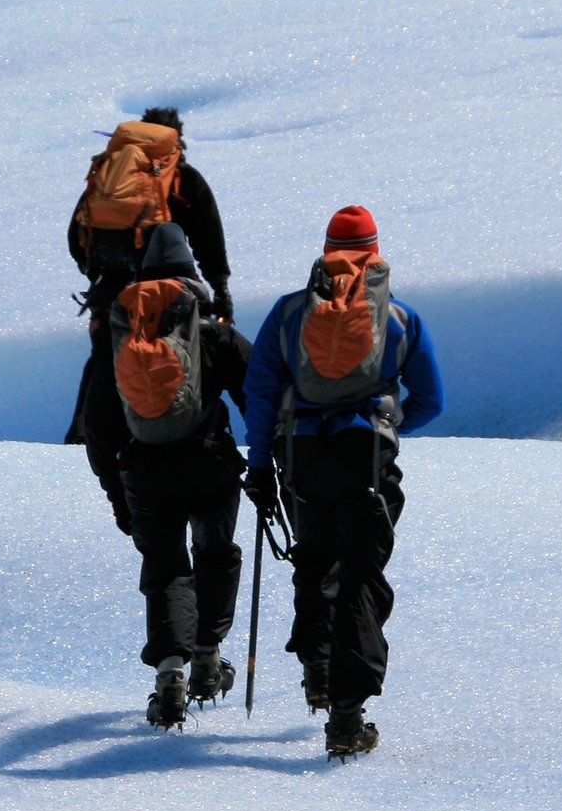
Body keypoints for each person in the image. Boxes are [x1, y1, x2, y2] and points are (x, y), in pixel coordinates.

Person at [240, 205, 443, 757]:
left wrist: (261, 464)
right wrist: (388, 422)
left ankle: (319, 671)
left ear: (326, 250)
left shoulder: (287, 315)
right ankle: (348, 720)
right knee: (359, 576)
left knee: (314, 560)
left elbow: (260, 396)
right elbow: (431, 401)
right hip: (367, 459)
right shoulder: (399, 320)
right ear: (375, 252)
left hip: (300, 459)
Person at [80, 222, 251, 726]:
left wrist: (118, 496)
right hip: (210, 465)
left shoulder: (119, 339)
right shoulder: (214, 334)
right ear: (191, 277)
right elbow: (260, 399)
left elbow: (99, 430)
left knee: (166, 566)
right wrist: (266, 464)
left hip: (145, 474)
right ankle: (207, 654)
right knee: (216, 554)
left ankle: (170, 670)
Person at [66, 107, 233, 535]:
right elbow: (209, 236)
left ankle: (87, 432)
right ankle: (176, 426)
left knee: (108, 362)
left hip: (110, 293)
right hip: (172, 294)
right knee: (183, 355)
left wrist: (100, 276)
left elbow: (75, 236)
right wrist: (220, 289)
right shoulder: (181, 177)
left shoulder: (109, 174)